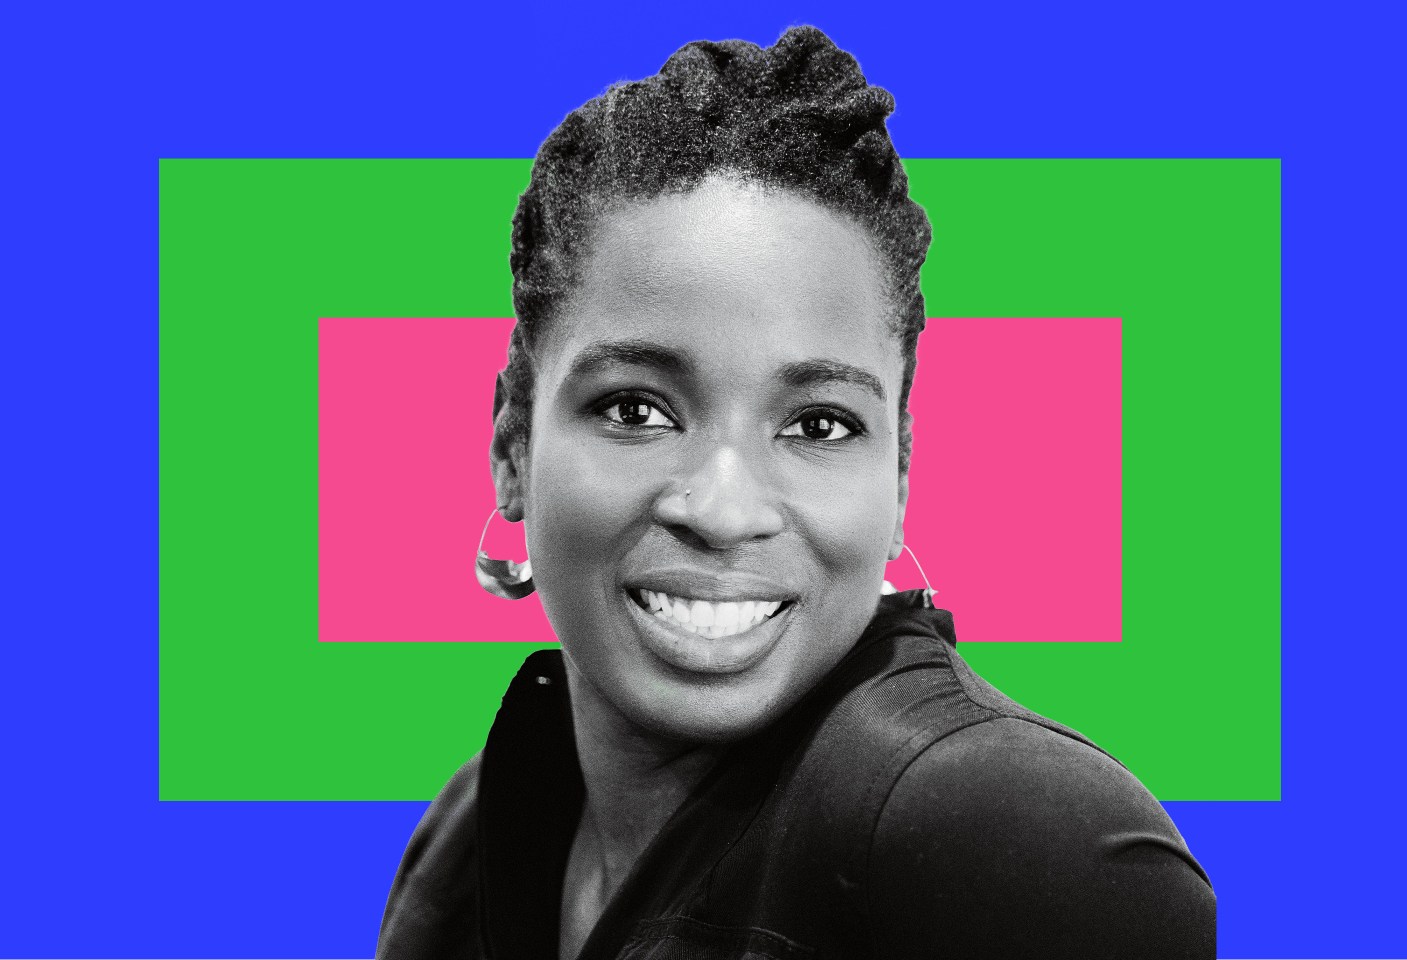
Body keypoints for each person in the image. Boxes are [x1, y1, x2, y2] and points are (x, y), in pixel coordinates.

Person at [377, 25, 1215, 960]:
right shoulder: (473, 830)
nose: (723, 510)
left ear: (899, 475)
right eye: (637, 409)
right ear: (512, 444)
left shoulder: (1008, 838)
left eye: (818, 425)